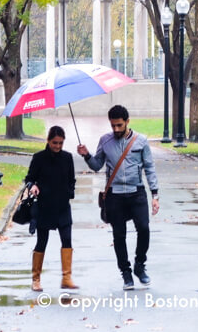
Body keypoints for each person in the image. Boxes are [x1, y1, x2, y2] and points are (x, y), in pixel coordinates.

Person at [78, 105, 159, 290]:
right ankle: (126, 273)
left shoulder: (141, 141)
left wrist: (155, 194)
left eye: (119, 125)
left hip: (136, 192)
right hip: (115, 195)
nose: (115, 129)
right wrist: (87, 155)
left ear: (127, 122)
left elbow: (150, 168)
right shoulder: (105, 141)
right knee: (119, 235)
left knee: (144, 229)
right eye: (113, 125)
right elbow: (97, 165)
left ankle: (140, 266)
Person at [24, 125, 78, 291]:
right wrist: (32, 186)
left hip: (62, 206)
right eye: (55, 143)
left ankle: (66, 277)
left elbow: (71, 179)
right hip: (44, 206)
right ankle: (36, 278)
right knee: (42, 241)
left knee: (67, 240)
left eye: (61, 143)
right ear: (48, 141)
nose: (57, 146)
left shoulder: (67, 157)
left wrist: (70, 192)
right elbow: (29, 178)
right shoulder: (39, 158)